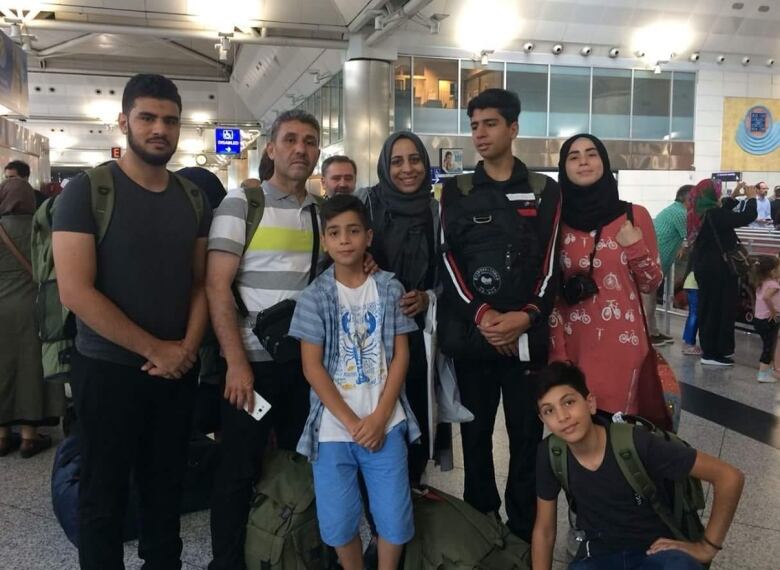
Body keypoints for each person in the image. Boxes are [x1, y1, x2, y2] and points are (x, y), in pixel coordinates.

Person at [52, 73, 212, 569]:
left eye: (169, 120)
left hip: (176, 371)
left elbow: (202, 283)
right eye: (147, 117)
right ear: (123, 122)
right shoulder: (87, 191)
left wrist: (185, 347)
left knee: (165, 489)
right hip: (107, 372)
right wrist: (156, 349)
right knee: (104, 497)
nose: (159, 129)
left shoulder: (192, 198)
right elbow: (76, 290)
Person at [438, 88, 561, 542]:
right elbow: (449, 259)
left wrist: (526, 317)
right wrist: (486, 315)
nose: (480, 134)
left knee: (527, 434)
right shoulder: (457, 190)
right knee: (476, 434)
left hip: (528, 339)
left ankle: (524, 527)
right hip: (477, 336)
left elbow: (550, 261)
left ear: (513, 128)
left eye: (490, 124)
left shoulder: (545, 190)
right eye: (474, 126)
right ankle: (480, 517)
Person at [206, 109, 324, 570]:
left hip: (302, 365)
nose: (301, 149)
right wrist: (236, 364)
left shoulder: (320, 212)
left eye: (310, 141)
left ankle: (287, 552)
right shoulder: (241, 205)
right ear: (270, 149)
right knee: (238, 468)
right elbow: (216, 287)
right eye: (290, 139)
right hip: (250, 368)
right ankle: (228, 562)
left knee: (297, 464)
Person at [289, 194, 420, 570]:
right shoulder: (314, 297)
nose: (344, 239)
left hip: (386, 425)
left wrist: (379, 418)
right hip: (333, 431)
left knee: (394, 516)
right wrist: (351, 422)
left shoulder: (390, 289)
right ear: (326, 241)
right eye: (334, 233)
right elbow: (312, 367)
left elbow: (401, 357)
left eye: (352, 231)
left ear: (368, 236)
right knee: (338, 519)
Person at [532, 361, 745, 570]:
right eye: (549, 411)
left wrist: (706, 548)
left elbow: (729, 477)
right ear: (542, 419)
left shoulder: (636, 442)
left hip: (655, 552)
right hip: (598, 556)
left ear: (590, 403)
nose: (562, 417)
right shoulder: (551, 453)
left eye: (569, 402)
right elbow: (545, 530)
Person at [549, 134, 663, 418]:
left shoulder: (634, 216)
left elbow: (651, 282)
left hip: (623, 348)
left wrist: (635, 247)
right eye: (573, 157)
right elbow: (548, 290)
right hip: (570, 346)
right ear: (564, 168)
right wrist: (556, 351)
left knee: (618, 432)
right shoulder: (554, 220)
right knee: (574, 432)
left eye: (591, 154)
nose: (584, 162)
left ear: (604, 161)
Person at [362, 131, 439, 486]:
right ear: (384, 165)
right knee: (375, 417)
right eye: (397, 161)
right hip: (371, 337)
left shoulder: (437, 210)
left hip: (422, 337)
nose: (408, 169)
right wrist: (359, 265)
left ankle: (411, 493)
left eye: (415, 159)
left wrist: (428, 296)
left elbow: (451, 272)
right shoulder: (367, 205)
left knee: (418, 419)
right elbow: (339, 252)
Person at [0, 178, 64, 457]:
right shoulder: (43, 226)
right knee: (32, 368)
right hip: (34, 307)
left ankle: (2, 436)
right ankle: (29, 436)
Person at [688, 179, 757, 366]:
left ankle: (711, 350)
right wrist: (751, 199)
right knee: (719, 310)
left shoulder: (701, 212)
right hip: (719, 271)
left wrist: (733, 197)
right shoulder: (714, 214)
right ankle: (713, 353)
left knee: (709, 308)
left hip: (706, 269)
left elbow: (722, 213)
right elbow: (746, 217)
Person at [642, 185, 692, 347]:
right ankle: (649, 334)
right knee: (648, 299)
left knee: (649, 297)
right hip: (651, 262)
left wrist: (680, 247)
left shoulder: (673, 210)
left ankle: (653, 331)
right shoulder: (680, 213)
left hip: (653, 261)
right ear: (688, 199)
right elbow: (692, 235)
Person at [749, 255, 780, 383]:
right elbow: (767, 297)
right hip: (768, 319)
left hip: (759, 320)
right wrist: (773, 311)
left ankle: (767, 370)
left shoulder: (762, 282)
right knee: (769, 346)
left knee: (769, 344)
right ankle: (762, 374)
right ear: (772, 271)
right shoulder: (773, 285)